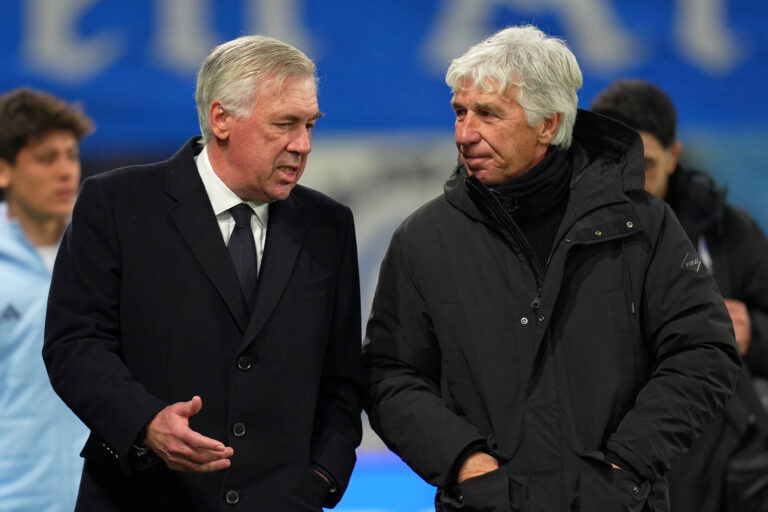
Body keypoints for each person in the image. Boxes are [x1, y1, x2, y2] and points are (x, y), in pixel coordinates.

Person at [363, 25, 740, 512]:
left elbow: (704, 350)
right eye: (460, 112)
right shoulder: (423, 239)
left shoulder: (642, 224)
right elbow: (391, 374)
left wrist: (628, 464)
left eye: (488, 114)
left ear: (548, 124)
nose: (465, 133)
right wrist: (464, 463)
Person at [43, 35, 362, 511]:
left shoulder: (328, 226)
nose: (304, 145)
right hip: (143, 496)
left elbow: (343, 378)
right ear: (221, 119)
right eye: (285, 125)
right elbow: (74, 344)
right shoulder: (117, 204)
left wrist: (322, 476)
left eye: (310, 125)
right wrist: (144, 423)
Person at [592, 79, 768, 512]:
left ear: (674, 156)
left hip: (718, 477)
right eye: (615, 163)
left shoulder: (726, 232)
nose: (631, 181)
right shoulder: (557, 237)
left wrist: (755, 335)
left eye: (646, 165)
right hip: (605, 472)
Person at [0, 88, 92, 511]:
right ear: (4, 170)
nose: (65, 172)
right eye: (46, 158)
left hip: (98, 497)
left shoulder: (106, 257)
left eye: (70, 156)